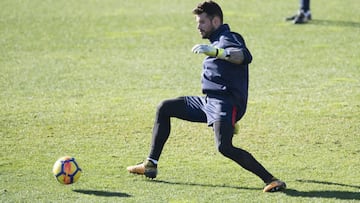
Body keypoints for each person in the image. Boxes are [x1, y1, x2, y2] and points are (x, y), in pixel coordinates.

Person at [127, 0, 286, 193]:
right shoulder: (215, 40)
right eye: (197, 22)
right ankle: (150, 164)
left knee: (224, 147)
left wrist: (217, 52)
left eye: (202, 22)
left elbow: (244, 56)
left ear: (216, 21)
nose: (198, 26)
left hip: (226, 103)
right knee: (165, 107)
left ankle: (272, 180)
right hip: (207, 102)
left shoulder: (228, 37)